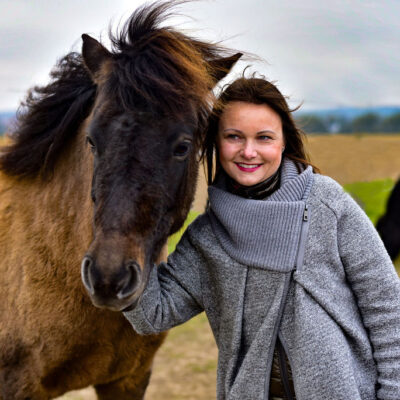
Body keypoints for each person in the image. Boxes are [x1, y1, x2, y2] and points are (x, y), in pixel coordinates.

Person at [123, 75, 400, 400]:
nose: (249, 151)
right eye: (234, 137)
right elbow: (153, 313)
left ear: (283, 142)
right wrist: (134, 227)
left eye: (264, 137)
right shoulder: (207, 237)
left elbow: (386, 308)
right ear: (215, 142)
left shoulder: (326, 203)